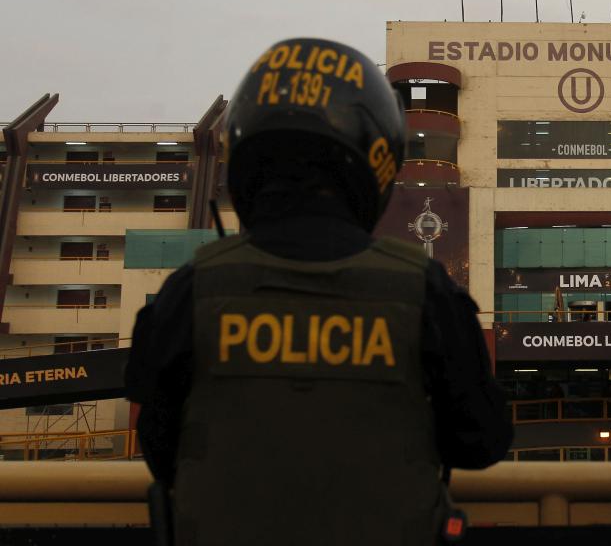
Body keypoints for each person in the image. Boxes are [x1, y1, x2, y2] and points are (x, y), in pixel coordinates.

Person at [126, 38, 512, 545]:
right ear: (377, 159)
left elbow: (158, 446)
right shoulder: (424, 290)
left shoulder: (190, 289)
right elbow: (481, 442)